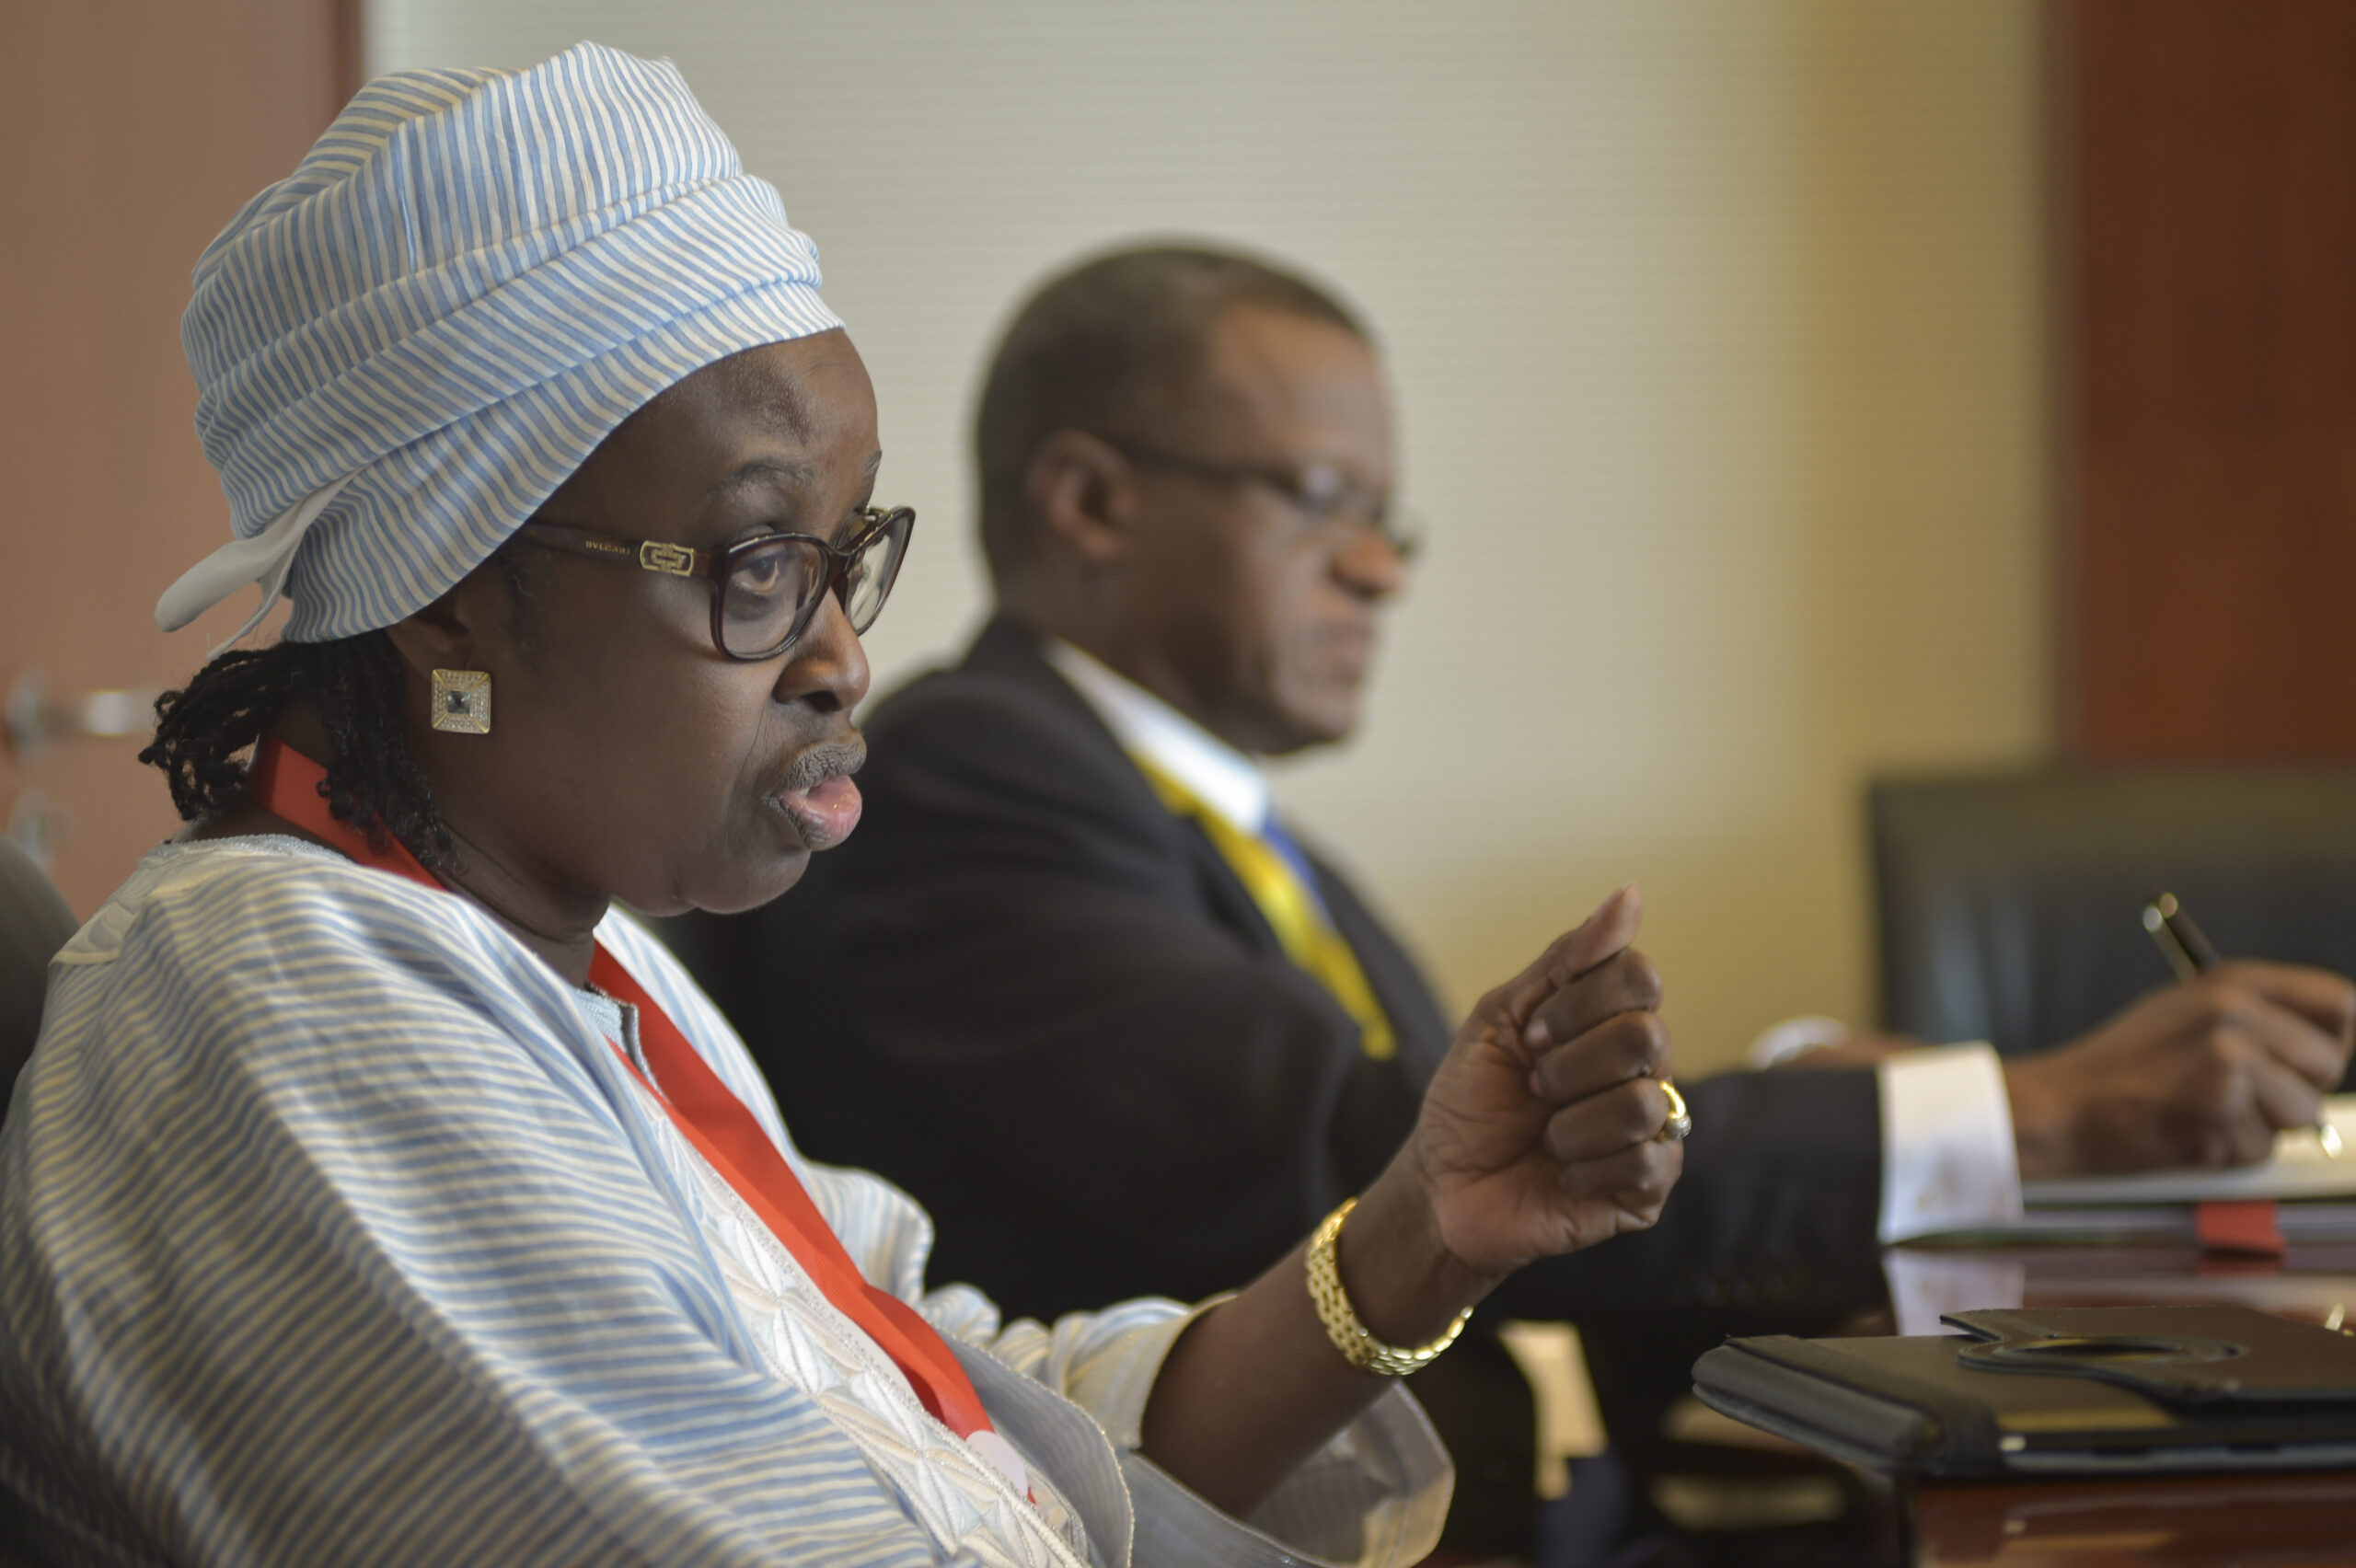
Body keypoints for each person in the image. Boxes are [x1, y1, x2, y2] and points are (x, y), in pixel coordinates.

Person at [0, 52, 1688, 1568]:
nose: (840, 660)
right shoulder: (293, 1007)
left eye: (846, 559)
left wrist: (1421, 1237)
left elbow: (968, 1414)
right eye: (753, 566)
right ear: (446, 595)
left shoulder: (588, 968)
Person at [661, 244, 2356, 1553]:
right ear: (1094, 501)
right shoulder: (969, 781)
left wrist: (1806, 1099)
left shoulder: (1237, 831)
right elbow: (1378, 1163)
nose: (1384, 567)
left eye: (1391, 519)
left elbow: (1482, 1167)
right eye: (1325, 504)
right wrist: (2033, 1111)